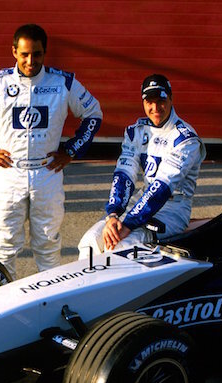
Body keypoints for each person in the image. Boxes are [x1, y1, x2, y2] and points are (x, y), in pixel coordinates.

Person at [0, 24, 102, 279]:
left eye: (37, 54)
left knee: (48, 245)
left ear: (45, 53)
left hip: (47, 173)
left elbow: (93, 113)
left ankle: (48, 300)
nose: (31, 61)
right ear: (14, 52)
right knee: (4, 245)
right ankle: (1, 300)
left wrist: (72, 150)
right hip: (10, 173)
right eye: (24, 54)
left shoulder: (63, 83)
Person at [78, 74, 205, 258]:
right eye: (149, 102)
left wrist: (129, 224)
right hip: (140, 202)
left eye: (160, 100)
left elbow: (162, 186)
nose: (155, 108)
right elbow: (124, 175)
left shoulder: (186, 139)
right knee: (90, 242)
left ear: (171, 98)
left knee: (119, 248)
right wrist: (113, 215)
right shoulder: (136, 131)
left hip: (173, 209)